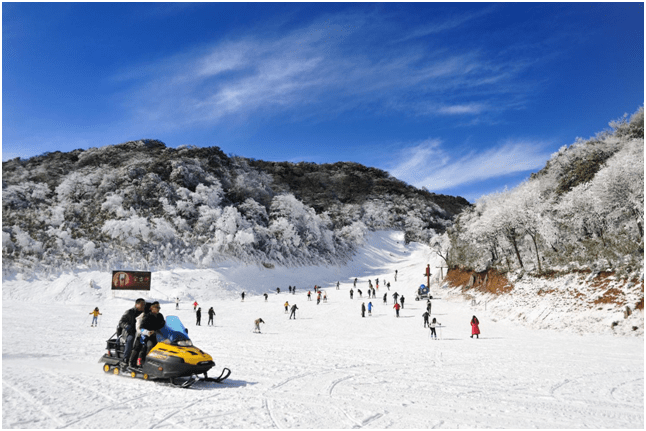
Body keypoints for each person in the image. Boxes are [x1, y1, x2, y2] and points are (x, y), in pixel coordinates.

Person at [118, 298, 150, 367]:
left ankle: (143, 359)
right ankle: (126, 359)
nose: (143, 306)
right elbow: (121, 322)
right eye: (142, 305)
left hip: (140, 332)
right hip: (129, 332)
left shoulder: (145, 312)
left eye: (144, 304)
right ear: (136, 305)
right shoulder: (129, 312)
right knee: (131, 339)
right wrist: (126, 326)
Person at [134, 302, 165, 367]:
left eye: (159, 307)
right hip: (148, 336)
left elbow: (164, 325)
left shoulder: (160, 316)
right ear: (151, 308)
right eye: (157, 307)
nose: (158, 309)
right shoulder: (147, 316)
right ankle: (145, 362)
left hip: (159, 336)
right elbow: (141, 328)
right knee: (150, 345)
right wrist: (148, 332)